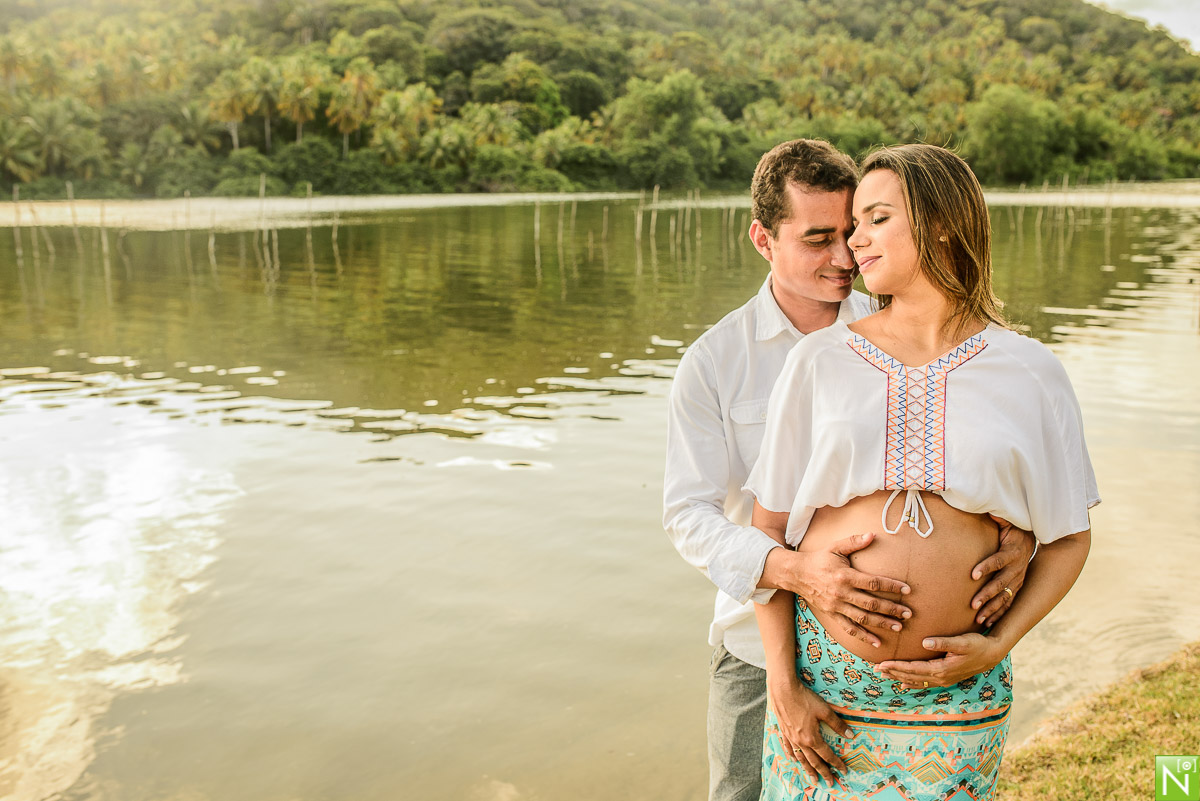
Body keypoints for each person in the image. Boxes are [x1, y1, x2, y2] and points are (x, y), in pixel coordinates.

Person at [662, 139, 1035, 801]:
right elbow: (687, 516)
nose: (844, 257)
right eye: (817, 239)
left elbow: (968, 457)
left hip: (892, 665)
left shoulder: (903, 324)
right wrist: (795, 573)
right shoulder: (713, 363)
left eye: (850, 231)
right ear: (762, 239)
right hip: (758, 650)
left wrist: (1016, 534)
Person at [745, 143, 1099, 800]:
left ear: (939, 222)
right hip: (826, 699)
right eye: (853, 225)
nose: (854, 244)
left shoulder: (1030, 370)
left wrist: (999, 644)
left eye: (875, 219)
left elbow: (1069, 536)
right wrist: (783, 683)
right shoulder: (819, 361)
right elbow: (767, 534)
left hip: (958, 699)